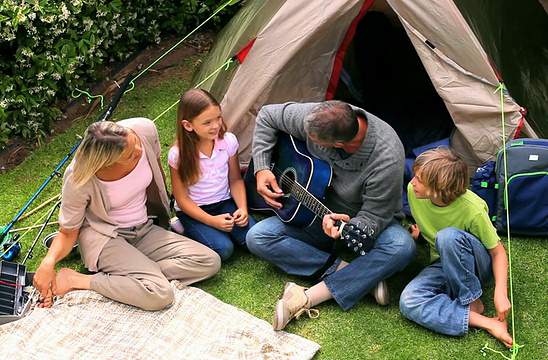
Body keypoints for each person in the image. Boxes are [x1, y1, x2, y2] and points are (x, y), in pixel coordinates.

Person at [246, 100, 416, 331]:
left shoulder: (387, 159)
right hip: (311, 212)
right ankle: (358, 275)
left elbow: (375, 215)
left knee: (401, 246)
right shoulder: (321, 116)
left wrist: (350, 225)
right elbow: (267, 115)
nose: (306, 137)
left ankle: (307, 297)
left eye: (313, 140)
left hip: (358, 218)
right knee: (258, 237)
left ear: (338, 144)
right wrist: (263, 167)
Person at [33, 118, 221, 311]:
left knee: (209, 261)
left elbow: (159, 178)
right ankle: (78, 279)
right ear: (107, 163)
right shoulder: (79, 178)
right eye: (131, 155)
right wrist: (48, 262)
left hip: (144, 228)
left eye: (135, 142)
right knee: (160, 294)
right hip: (106, 238)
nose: (140, 151)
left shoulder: (144, 130)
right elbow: (67, 232)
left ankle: (137, 277)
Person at [399, 147, 513, 348]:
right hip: (444, 262)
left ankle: (471, 298)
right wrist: (421, 237)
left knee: (447, 236)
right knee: (409, 301)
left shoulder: (473, 209)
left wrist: (500, 292)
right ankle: (486, 322)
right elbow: (432, 225)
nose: (412, 182)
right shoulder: (413, 192)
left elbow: (498, 252)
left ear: (440, 188)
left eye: (419, 180)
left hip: (478, 265)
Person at [168, 88, 255, 260]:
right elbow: (182, 198)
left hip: (224, 202)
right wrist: (211, 221)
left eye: (218, 118)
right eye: (207, 122)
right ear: (188, 125)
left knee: (253, 240)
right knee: (224, 249)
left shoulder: (228, 141)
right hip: (195, 210)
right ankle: (185, 229)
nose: (216, 125)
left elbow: (235, 180)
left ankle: (213, 230)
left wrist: (242, 208)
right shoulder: (177, 154)